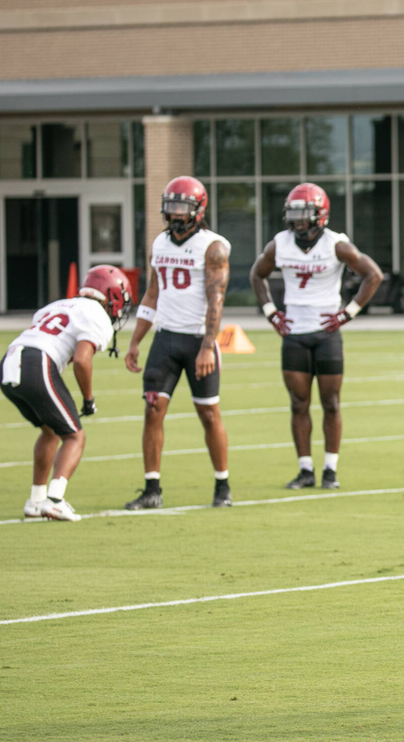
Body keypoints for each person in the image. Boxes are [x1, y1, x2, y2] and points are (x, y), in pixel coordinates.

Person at [249, 183, 383, 489]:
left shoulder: (336, 244)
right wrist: (271, 311)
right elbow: (257, 274)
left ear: (320, 215)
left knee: (331, 403)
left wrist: (347, 313)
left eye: (304, 214)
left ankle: (331, 470)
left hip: (326, 334)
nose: (298, 221)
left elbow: (373, 275)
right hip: (294, 333)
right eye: (293, 214)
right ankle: (306, 469)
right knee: (298, 403)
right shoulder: (279, 244)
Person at [123, 176, 233, 510]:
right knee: (152, 410)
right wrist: (135, 340)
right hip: (165, 338)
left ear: (198, 209)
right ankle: (152, 489)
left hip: (199, 339)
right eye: (171, 206)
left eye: (183, 207)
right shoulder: (159, 243)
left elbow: (217, 298)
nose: (175, 214)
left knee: (208, 414)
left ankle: (222, 485)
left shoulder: (213, 245)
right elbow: (153, 292)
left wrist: (206, 346)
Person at [0, 266, 132, 521]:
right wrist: (88, 399)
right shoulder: (97, 315)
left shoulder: (58, 305)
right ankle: (55, 500)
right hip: (36, 363)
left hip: (9, 362)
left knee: (50, 430)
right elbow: (82, 360)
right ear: (111, 295)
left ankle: (36, 502)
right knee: (74, 437)